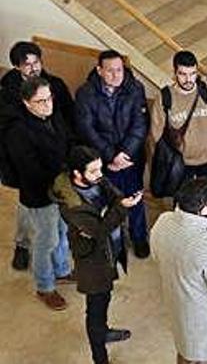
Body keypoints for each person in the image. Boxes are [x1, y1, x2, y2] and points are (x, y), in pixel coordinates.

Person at [52, 146, 141, 364]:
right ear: (77, 174)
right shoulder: (71, 205)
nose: (100, 175)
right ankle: (99, 356)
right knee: (96, 306)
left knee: (106, 295)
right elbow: (100, 230)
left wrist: (112, 209)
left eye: (100, 169)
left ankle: (104, 331)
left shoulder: (96, 179)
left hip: (109, 250)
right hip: (92, 261)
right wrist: (119, 208)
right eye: (93, 171)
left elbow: (113, 193)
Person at [0, 41, 76, 272]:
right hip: (25, 163)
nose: (33, 68)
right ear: (16, 68)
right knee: (29, 209)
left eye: (36, 62)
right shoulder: (8, 91)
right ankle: (22, 247)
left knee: (56, 224)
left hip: (55, 159)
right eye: (27, 65)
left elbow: (67, 118)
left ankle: (61, 267)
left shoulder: (55, 85)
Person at [151, 178, 207, 364]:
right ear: (203, 208)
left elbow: (157, 255)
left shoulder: (163, 220)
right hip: (202, 315)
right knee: (203, 355)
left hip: (176, 304)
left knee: (184, 350)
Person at [5, 77, 73, 310]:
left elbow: (66, 143)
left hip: (62, 189)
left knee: (63, 231)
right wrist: (62, 178)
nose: (48, 105)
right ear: (27, 103)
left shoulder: (53, 116)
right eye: (40, 101)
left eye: (49, 98)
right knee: (47, 240)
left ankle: (62, 270)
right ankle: (45, 286)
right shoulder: (18, 131)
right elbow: (30, 170)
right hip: (39, 194)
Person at [75, 50, 149, 258]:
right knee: (107, 203)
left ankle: (139, 237)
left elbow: (140, 124)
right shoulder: (86, 93)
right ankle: (112, 243)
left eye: (119, 70)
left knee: (135, 198)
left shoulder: (135, 88)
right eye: (110, 71)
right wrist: (110, 157)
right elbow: (86, 130)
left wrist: (124, 154)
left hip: (130, 157)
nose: (116, 75)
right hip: (102, 160)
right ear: (99, 70)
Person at [149, 50, 207, 197]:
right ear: (175, 73)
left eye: (192, 73)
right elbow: (155, 134)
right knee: (183, 206)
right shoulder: (165, 97)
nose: (188, 79)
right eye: (183, 74)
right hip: (181, 163)